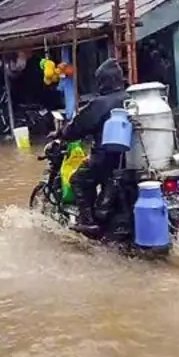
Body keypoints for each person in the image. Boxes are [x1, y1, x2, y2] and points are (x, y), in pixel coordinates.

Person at [61, 58, 127, 233]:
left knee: (78, 180)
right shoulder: (130, 98)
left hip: (106, 160)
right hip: (129, 161)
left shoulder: (101, 103)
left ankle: (88, 221)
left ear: (104, 81)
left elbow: (78, 126)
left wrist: (62, 133)